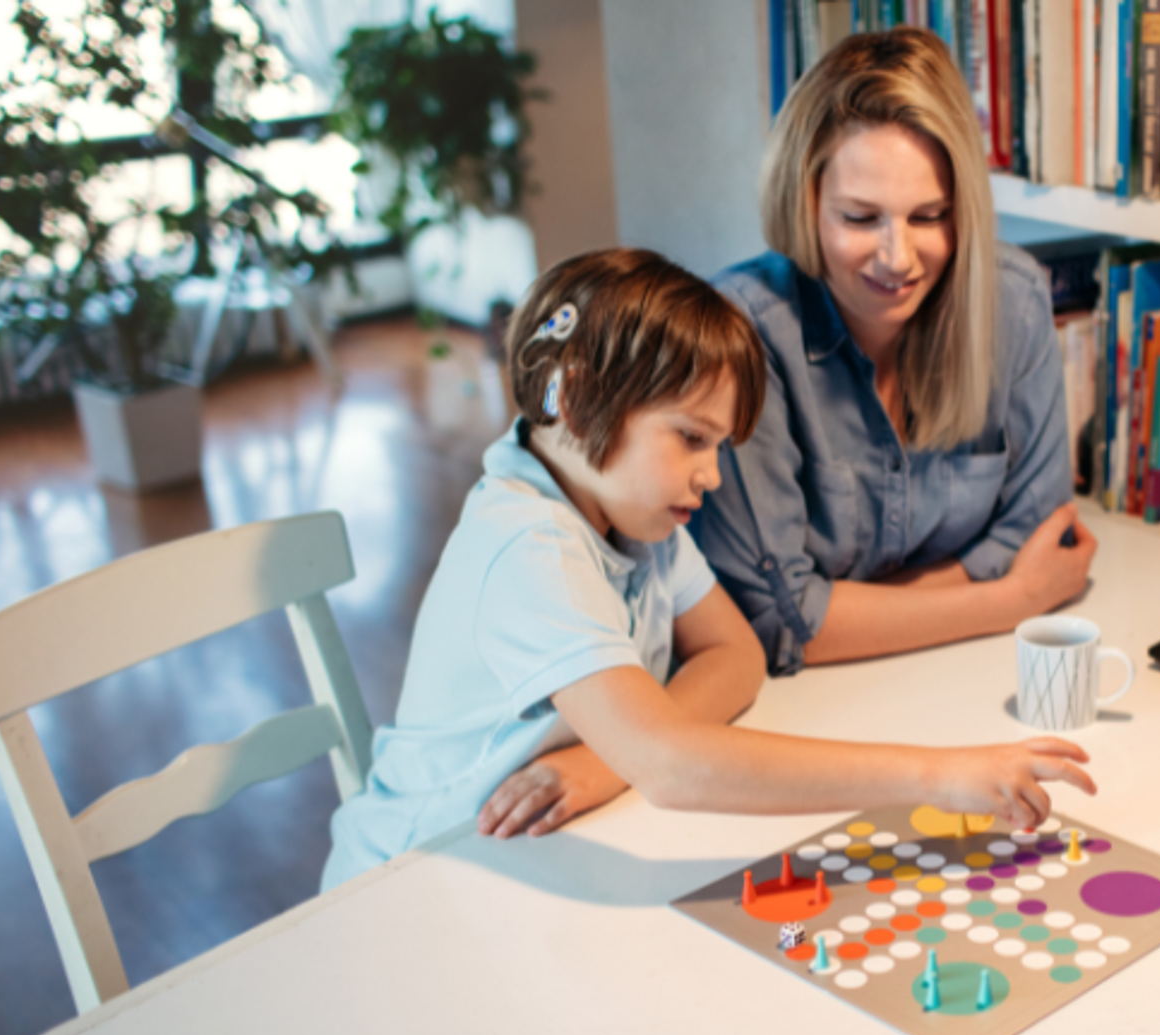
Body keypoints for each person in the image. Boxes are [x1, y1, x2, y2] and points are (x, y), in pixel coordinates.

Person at [322, 249, 1095, 888]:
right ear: (582, 400)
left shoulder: (630, 510)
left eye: (719, 446)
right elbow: (673, 768)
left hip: (527, 856)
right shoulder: (532, 550)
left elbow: (735, 656)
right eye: (692, 439)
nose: (714, 476)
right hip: (411, 882)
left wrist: (605, 761)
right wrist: (940, 778)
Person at [694, 27, 1096, 677]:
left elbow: (1041, 535)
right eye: (860, 218)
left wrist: (843, 613)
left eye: (930, 216)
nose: (898, 258)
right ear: (806, 203)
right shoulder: (741, 335)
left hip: (960, 681)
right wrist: (1012, 600)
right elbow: (777, 622)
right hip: (806, 713)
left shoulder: (1014, 300)